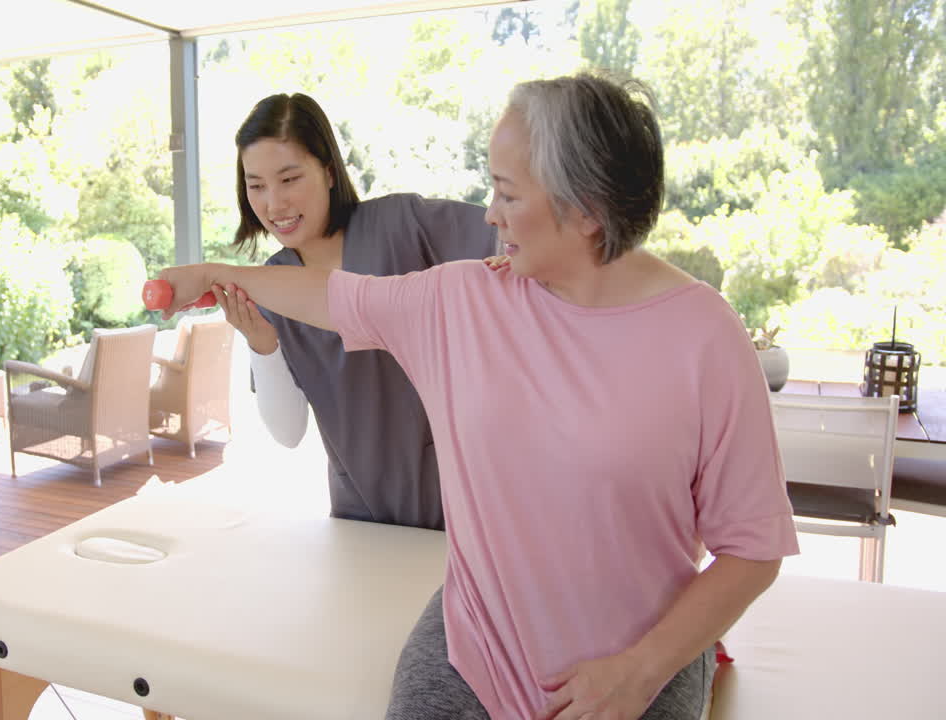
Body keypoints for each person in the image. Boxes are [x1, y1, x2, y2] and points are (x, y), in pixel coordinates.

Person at [159, 72, 798, 720]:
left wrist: (642, 670)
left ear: (585, 207)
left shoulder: (704, 335)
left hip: (640, 659)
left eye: (506, 194)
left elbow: (753, 548)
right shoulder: (463, 299)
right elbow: (331, 294)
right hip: (477, 647)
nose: (489, 215)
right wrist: (212, 274)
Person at [211, 92, 497, 531]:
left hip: (466, 507)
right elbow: (288, 435)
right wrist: (263, 346)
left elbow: (515, 244)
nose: (274, 204)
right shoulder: (274, 284)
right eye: (256, 186)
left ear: (328, 171)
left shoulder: (404, 225)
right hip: (362, 519)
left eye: (289, 179)